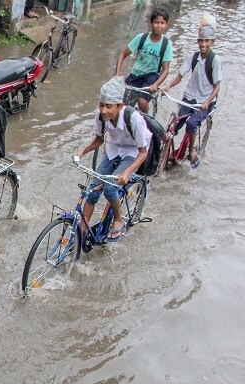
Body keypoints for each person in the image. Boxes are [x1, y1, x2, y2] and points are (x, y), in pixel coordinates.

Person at [74, 77, 151, 243]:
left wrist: (127, 173)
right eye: (101, 105)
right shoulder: (101, 116)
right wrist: (83, 151)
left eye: (109, 106)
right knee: (93, 190)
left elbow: (143, 152)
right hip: (114, 148)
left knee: (110, 187)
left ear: (120, 106)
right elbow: (99, 140)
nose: (104, 110)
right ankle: (82, 230)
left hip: (133, 150)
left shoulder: (133, 118)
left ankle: (118, 219)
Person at [162, 16, 222, 168]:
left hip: (204, 102)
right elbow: (180, 76)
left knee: (192, 123)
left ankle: (192, 152)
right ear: (198, 42)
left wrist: (207, 101)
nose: (203, 44)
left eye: (207, 41)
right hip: (189, 98)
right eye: (201, 41)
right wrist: (168, 87)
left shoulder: (215, 60)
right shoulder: (193, 57)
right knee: (173, 126)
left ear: (212, 42)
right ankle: (165, 153)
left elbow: (217, 87)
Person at [114, 7, 173, 114]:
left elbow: (165, 70)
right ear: (151, 23)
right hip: (135, 75)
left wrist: (156, 84)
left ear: (166, 24)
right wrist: (117, 74)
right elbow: (123, 54)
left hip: (151, 77)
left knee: (142, 101)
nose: (159, 26)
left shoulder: (166, 44)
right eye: (156, 22)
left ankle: (145, 120)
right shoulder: (141, 38)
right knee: (122, 106)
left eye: (162, 23)